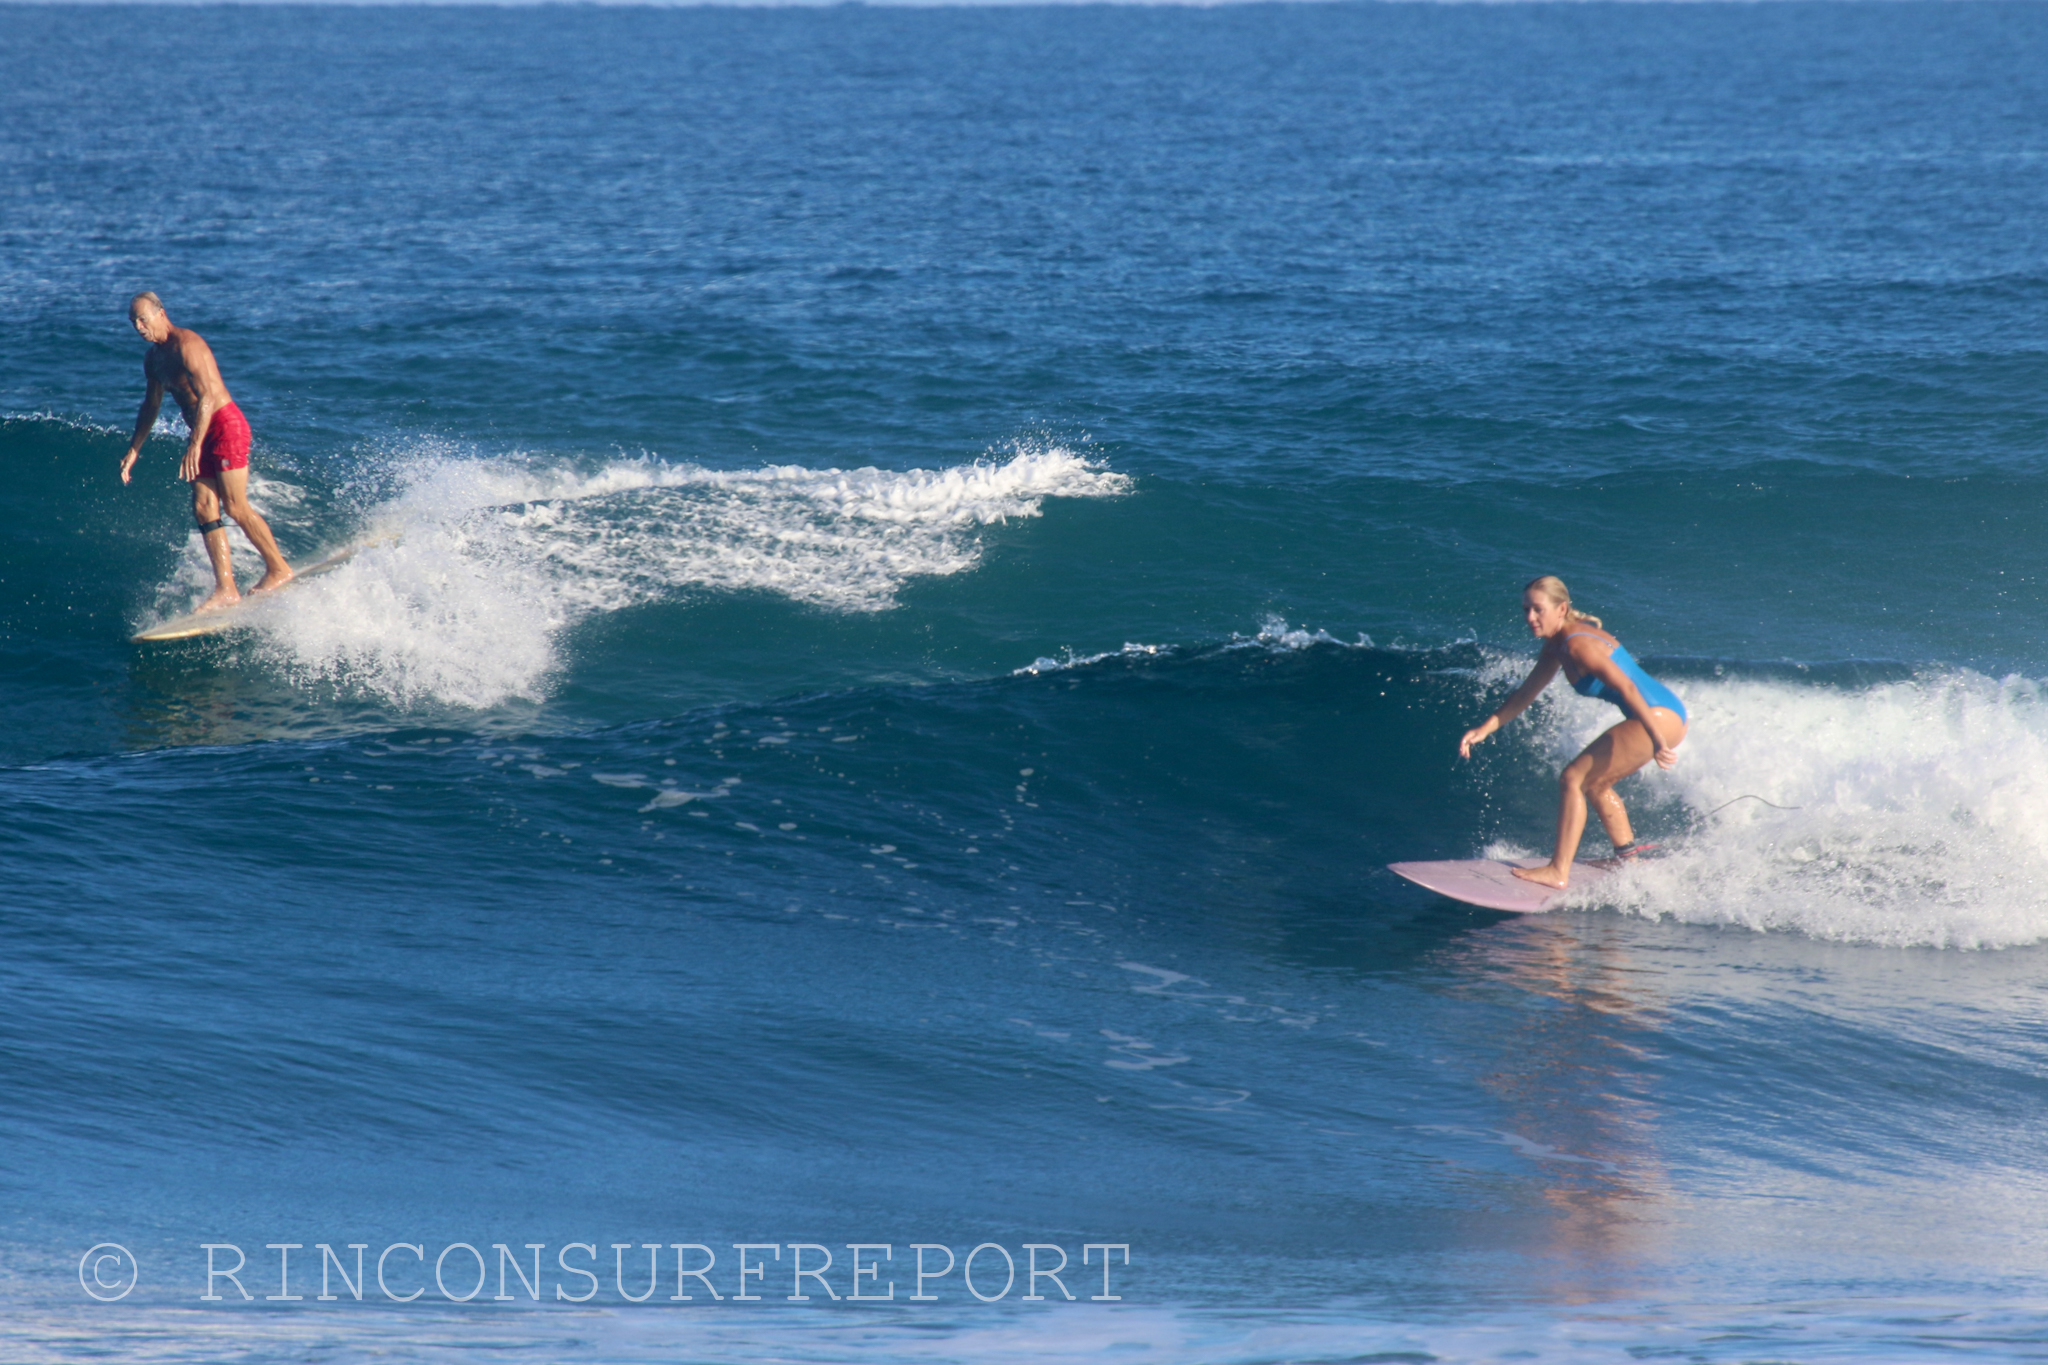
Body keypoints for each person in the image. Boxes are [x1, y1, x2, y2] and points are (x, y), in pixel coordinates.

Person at [1457, 575, 1688, 889]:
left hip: (1657, 716)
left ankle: (1558, 870)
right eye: (1526, 610)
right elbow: (1526, 694)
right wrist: (1484, 729)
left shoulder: (1577, 644)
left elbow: (1627, 686)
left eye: (1538, 610)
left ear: (1561, 608)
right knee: (1596, 783)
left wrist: (1659, 740)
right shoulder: (1557, 647)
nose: (1530, 617)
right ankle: (1626, 858)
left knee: (1573, 778)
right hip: (1664, 714)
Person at [119, 292, 292, 611]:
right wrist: (134, 449)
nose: (139, 327)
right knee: (203, 507)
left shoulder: (188, 345)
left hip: (225, 425)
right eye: (133, 322)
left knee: (235, 506)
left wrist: (195, 444)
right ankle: (226, 589)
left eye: (143, 319)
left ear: (161, 313)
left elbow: (209, 396)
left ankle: (279, 568)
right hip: (201, 430)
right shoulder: (153, 359)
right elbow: (151, 405)